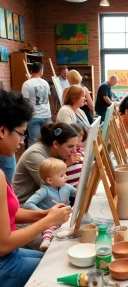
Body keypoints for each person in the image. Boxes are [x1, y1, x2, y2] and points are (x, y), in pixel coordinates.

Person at [0, 90, 72, 286]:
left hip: (9, 255)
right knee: (62, 269)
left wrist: (43, 214)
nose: (22, 141)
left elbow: (8, 214)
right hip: (4, 261)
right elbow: (3, 244)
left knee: (59, 259)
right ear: (2, 131)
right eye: (21, 134)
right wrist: (47, 220)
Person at [12, 122, 78, 250]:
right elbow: (54, 188)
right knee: (56, 249)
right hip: (26, 214)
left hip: (42, 210)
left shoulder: (56, 153)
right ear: (55, 144)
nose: (74, 150)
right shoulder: (35, 155)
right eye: (70, 146)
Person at [24, 158, 77, 251]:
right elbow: (28, 204)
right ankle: (46, 242)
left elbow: (78, 194)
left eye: (65, 173)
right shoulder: (44, 191)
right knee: (49, 228)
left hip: (64, 218)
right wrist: (45, 213)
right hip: (52, 220)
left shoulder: (67, 187)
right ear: (49, 180)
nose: (66, 177)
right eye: (62, 175)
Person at [21, 62, 52, 146]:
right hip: (47, 115)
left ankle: (35, 158)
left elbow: (25, 102)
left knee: (35, 142)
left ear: (31, 71)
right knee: (48, 140)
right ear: (41, 70)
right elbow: (48, 97)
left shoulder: (26, 84)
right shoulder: (45, 83)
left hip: (34, 116)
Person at [66, 123, 87, 188]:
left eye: (80, 141)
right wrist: (67, 163)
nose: (78, 144)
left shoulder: (80, 150)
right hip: (72, 187)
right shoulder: (68, 152)